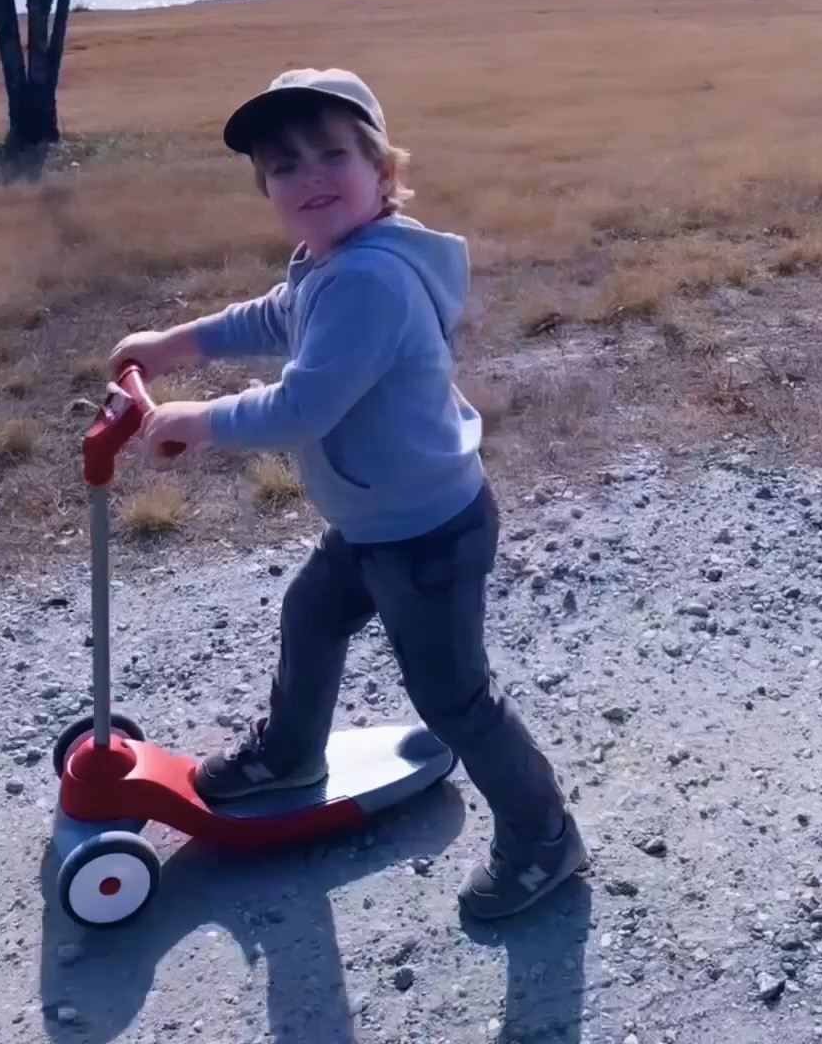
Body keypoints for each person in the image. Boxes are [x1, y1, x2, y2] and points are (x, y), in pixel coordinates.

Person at [109, 67, 587, 919]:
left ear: (383, 172)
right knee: (312, 616)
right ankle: (291, 753)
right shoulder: (327, 263)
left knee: (454, 698)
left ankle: (544, 836)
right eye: (284, 166)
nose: (311, 177)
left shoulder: (370, 280)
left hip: (426, 532)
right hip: (374, 520)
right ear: (267, 191)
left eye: (333, 154)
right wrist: (172, 343)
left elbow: (303, 406)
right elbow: (274, 315)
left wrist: (197, 421)